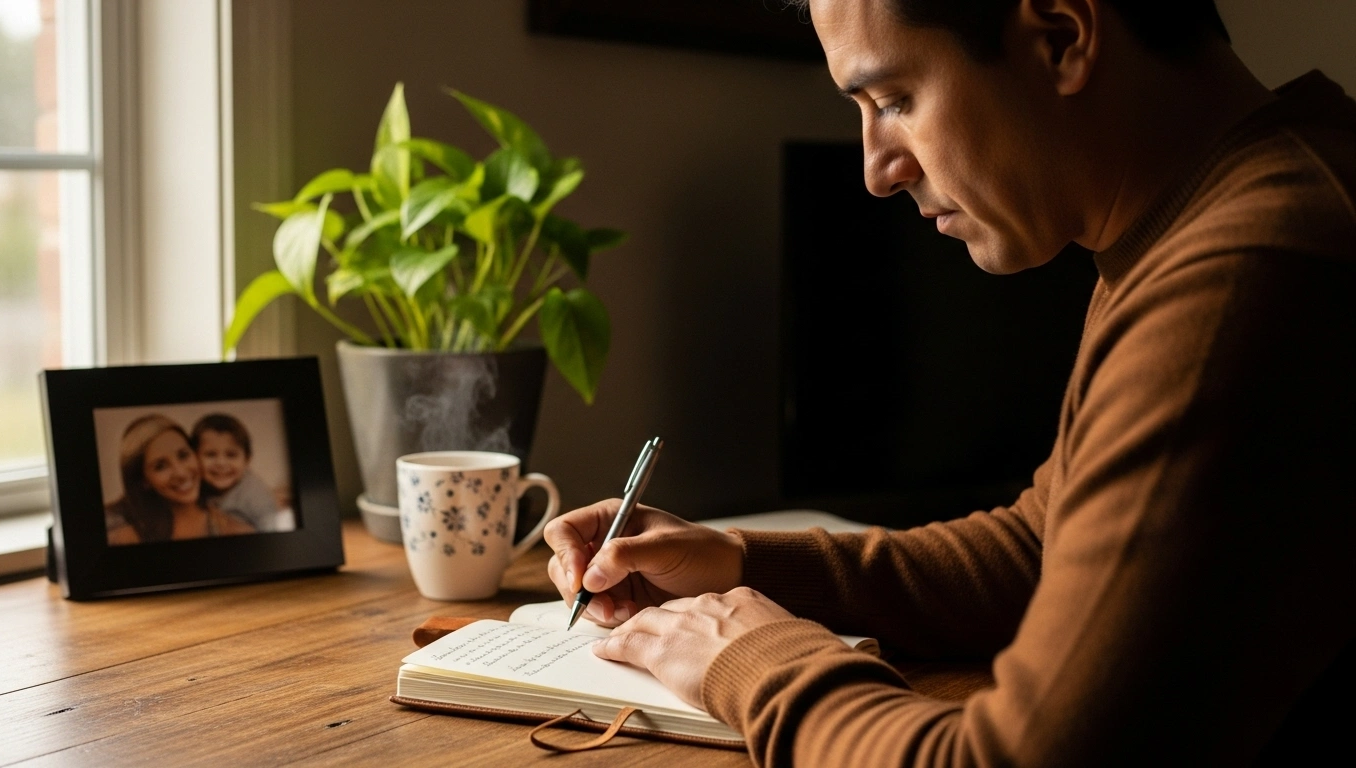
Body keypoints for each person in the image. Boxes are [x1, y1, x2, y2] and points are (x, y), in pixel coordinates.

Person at [544, 0, 1354, 765]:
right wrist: (739, 564)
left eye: (894, 98)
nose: (877, 170)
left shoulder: (1248, 271)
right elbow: (1045, 545)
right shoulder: (1225, 206)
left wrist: (750, 659)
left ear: (1062, 37)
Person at [105, 414, 256, 545]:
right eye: (160, 466)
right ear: (144, 481)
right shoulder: (122, 537)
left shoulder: (237, 531)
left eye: (183, 455)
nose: (181, 473)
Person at [191, 413, 287, 533]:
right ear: (194, 458)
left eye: (231, 455)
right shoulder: (195, 486)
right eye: (211, 454)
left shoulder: (256, 497)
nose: (221, 463)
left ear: (247, 460)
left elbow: (271, 528)